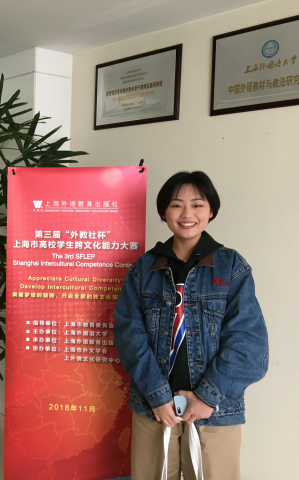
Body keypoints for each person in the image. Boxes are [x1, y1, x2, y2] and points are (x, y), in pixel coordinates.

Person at [114, 171, 268, 479]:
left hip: (215, 410)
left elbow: (248, 342)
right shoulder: (143, 269)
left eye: (197, 205)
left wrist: (208, 395)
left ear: (211, 211)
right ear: (163, 212)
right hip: (154, 408)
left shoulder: (232, 266)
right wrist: (157, 394)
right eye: (176, 205)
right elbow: (129, 335)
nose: (187, 214)